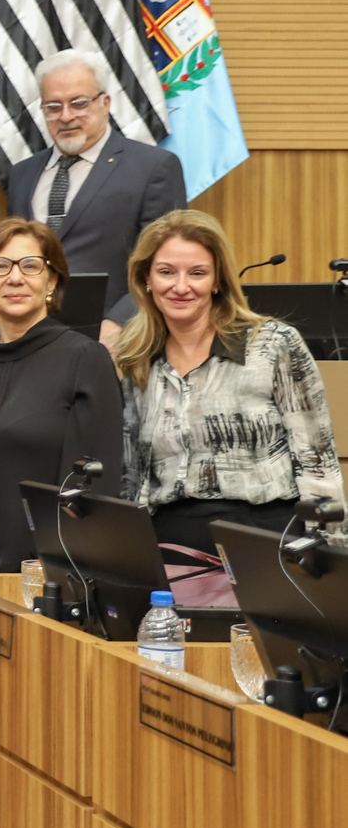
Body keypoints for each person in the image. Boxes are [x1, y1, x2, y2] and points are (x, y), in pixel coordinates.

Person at [115, 210, 344, 587]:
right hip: (172, 553)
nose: (181, 286)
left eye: (197, 273)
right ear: (146, 280)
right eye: (167, 272)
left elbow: (317, 462)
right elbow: (133, 478)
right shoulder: (137, 358)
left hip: (267, 546)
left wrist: (332, 570)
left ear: (218, 280)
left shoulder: (273, 345)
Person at [0, 218, 124, 570]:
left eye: (31, 266)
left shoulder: (85, 359)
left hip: (48, 579)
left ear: (52, 280)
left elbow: (94, 489)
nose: (15, 278)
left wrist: (55, 576)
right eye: (0, 266)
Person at [3, 49, 187, 342]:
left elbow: (165, 263)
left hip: (114, 338)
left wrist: (118, 323)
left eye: (78, 103)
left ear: (105, 103)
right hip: (30, 337)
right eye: (53, 106)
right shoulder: (23, 174)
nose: (66, 116)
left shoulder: (153, 167)